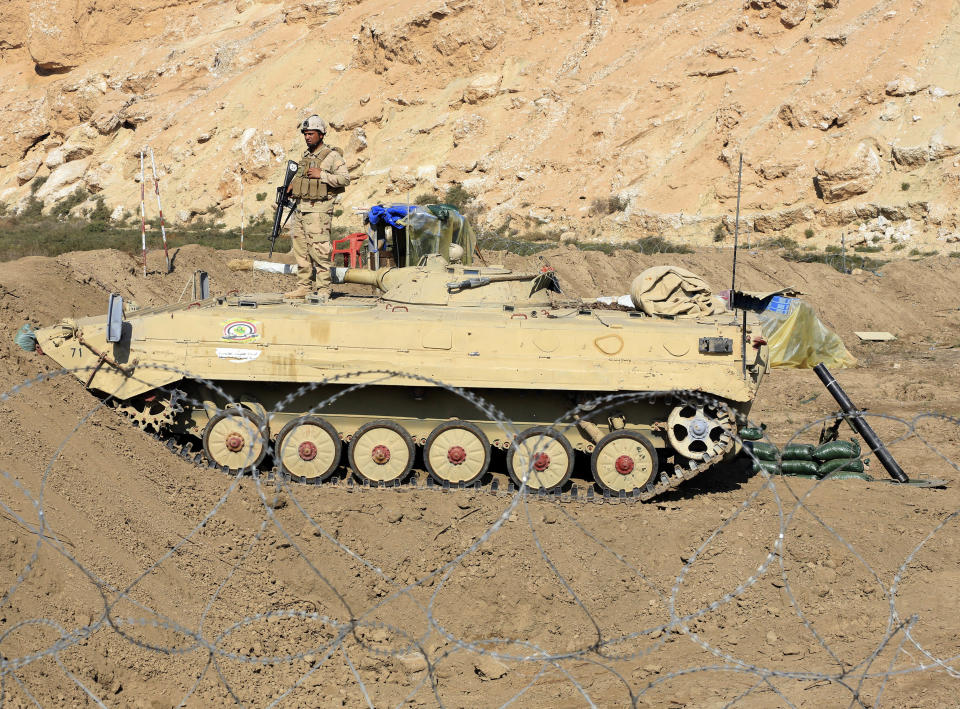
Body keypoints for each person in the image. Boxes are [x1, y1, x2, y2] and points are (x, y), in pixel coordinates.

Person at [282, 115, 350, 299]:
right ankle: (304, 287)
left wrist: (323, 175)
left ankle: (323, 289)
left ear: (321, 134)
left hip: (319, 211)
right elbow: (303, 180)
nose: (307, 137)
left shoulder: (332, 156)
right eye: (305, 134)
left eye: (311, 133)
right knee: (301, 252)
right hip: (301, 210)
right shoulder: (306, 156)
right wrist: (292, 187)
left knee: (320, 251)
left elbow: (345, 179)